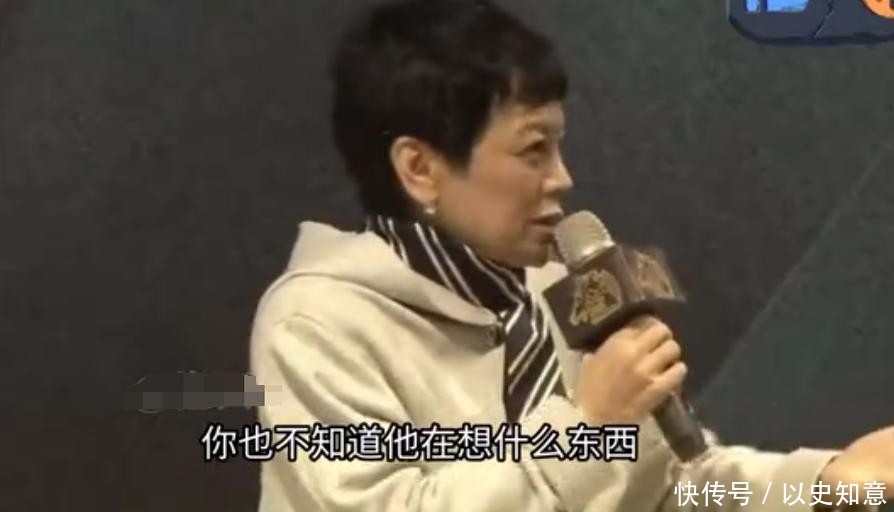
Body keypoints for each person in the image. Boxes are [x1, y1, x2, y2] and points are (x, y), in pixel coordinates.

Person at [249, 1, 894, 511]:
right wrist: (587, 425)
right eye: (534, 150)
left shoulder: (564, 293)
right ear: (420, 167)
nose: (562, 178)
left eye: (559, 147)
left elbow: (678, 489)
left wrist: (827, 484)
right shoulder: (316, 326)